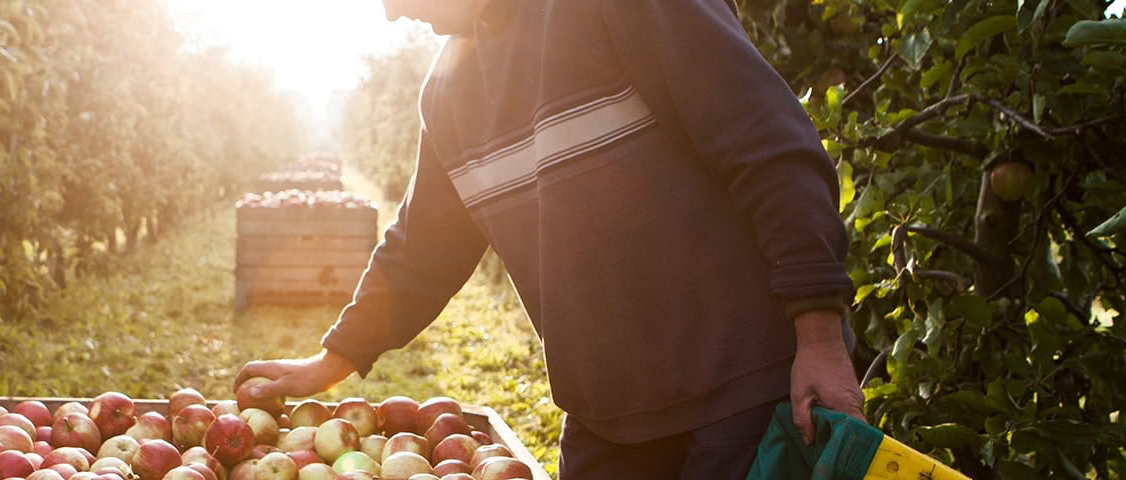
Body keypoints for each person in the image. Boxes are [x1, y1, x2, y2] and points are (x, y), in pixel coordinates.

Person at [233, 0, 864, 477]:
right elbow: (422, 246)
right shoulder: (451, 89)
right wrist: (330, 361)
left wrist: (819, 335)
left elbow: (770, 145)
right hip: (607, 414)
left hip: (743, 390)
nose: (393, 11)